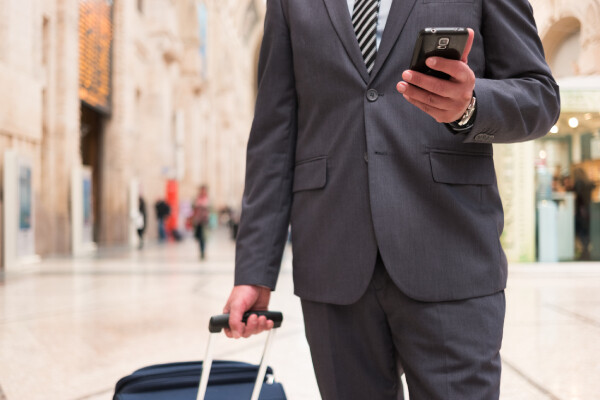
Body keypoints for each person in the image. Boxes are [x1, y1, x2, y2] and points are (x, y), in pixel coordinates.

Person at [223, 1, 560, 399]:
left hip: (449, 253)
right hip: (332, 262)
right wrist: (254, 269)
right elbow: (273, 135)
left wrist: (470, 105)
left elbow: (540, 96)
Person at [573, 167, 595, 260]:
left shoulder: (579, 183)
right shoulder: (588, 183)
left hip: (581, 210)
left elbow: (578, 196)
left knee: (580, 231)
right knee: (586, 231)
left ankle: (584, 252)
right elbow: (593, 186)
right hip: (588, 209)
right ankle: (586, 251)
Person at [192, 185, 210, 259]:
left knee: (204, 237)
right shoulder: (197, 199)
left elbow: (210, 209)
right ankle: (201, 251)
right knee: (198, 237)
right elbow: (194, 208)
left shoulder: (208, 199)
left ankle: (203, 251)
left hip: (205, 221)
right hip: (198, 220)